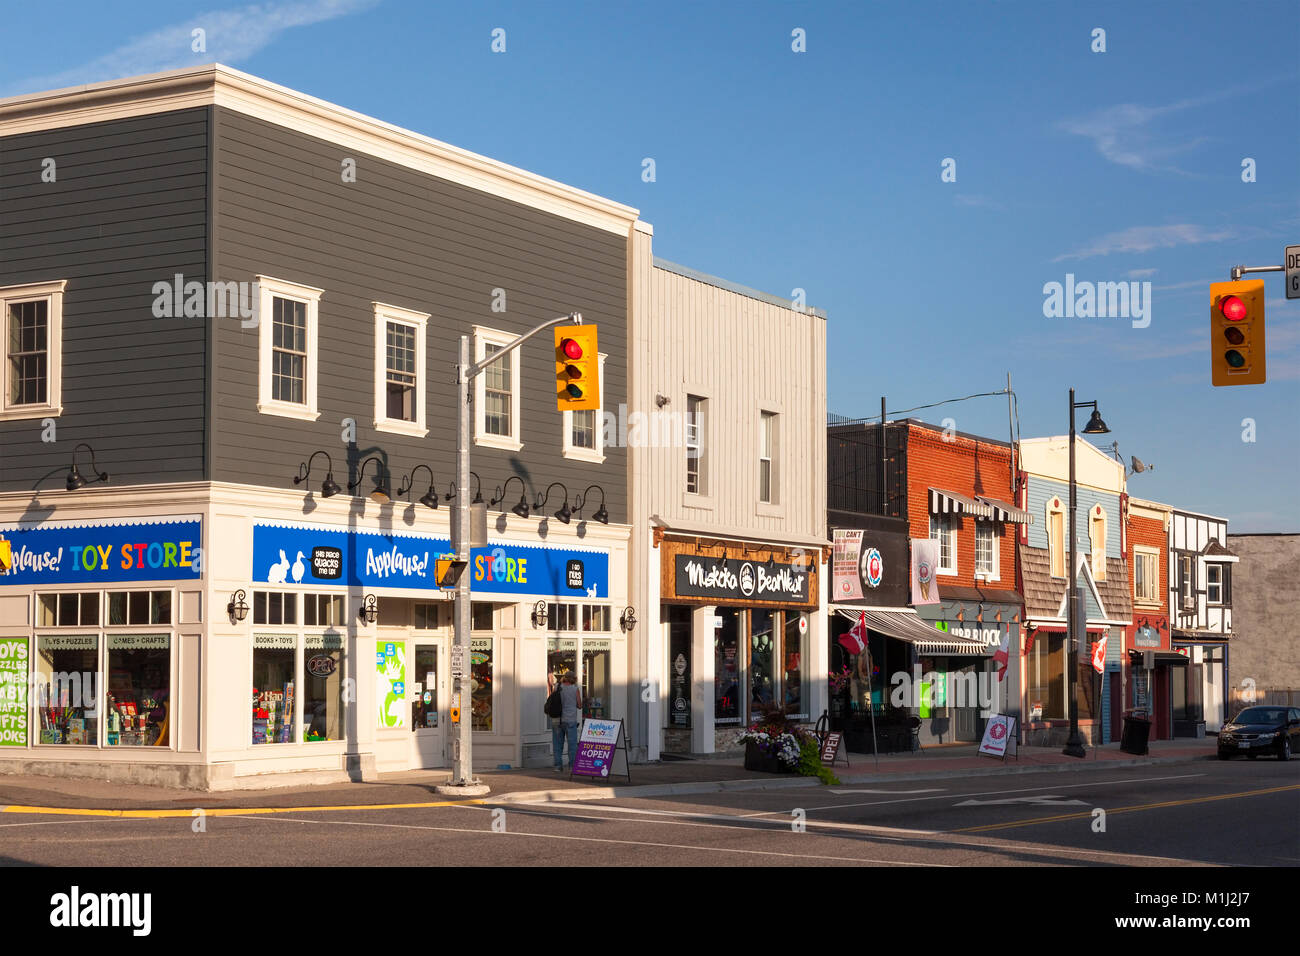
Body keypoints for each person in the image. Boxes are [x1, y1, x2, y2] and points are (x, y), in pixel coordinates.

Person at [552, 673, 582, 772]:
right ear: (574, 679)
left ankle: (557, 766)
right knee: (572, 745)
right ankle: (572, 766)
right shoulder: (575, 688)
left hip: (557, 719)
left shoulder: (557, 686)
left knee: (557, 744)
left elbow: (552, 700)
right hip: (570, 720)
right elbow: (579, 705)